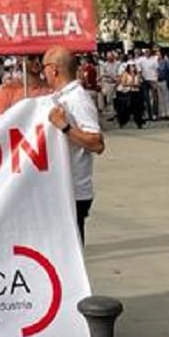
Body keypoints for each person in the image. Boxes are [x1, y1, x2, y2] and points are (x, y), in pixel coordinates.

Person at [40, 47, 105, 241]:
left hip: (74, 192)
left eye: (44, 68)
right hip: (61, 187)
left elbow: (97, 143)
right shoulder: (61, 97)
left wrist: (64, 127)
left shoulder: (78, 99)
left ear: (53, 69)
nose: (43, 73)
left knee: (71, 251)